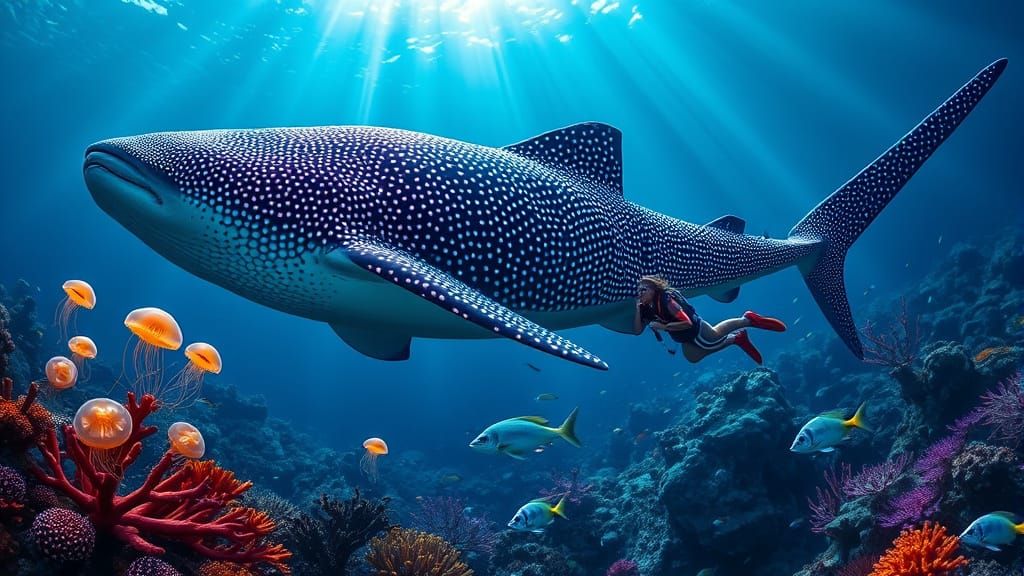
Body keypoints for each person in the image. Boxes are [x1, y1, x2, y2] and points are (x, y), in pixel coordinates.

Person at [632, 275, 786, 364]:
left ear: (654, 289)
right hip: (683, 337)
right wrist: (638, 310)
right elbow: (637, 331)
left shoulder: (666, 301)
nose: (640, 293)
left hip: (695, 329)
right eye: (638, 291)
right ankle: (737, 338)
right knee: (693, 357)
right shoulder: (646, 307)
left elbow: (687, 322)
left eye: (643, 290)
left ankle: (747, 320)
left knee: (713, 337)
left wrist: (663, 327)